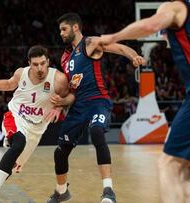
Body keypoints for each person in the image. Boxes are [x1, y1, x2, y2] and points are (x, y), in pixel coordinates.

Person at [99, 1, 190, 203]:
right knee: (185, 167)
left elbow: (149, 26)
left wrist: (113, 37)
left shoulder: (177, 7)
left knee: (168, 163)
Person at [46, 13, 145, 203]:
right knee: (60, 151)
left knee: (97, 132)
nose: (60, 33)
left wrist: (134, 56)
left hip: (98, 101)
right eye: (59, 30)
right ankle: (61, 191)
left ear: (75, 28)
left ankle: (108, 191)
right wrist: (61, 102)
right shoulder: (66, 57)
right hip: (78, 106)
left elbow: (120, 47)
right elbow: (73, 93)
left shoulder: (89, 43)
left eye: (63, 29)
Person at [0, 45, 70, 203]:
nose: (39, 68)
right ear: (29, 63)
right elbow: (9, 84)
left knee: (9, 168)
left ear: (48, 62)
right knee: (18, 142)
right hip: (16, 116)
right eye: (35, 64)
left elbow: (67, 97)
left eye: (43, 63)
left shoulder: (58, 79)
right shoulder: (21, 73)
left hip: (36, 129)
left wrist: (59, 107)